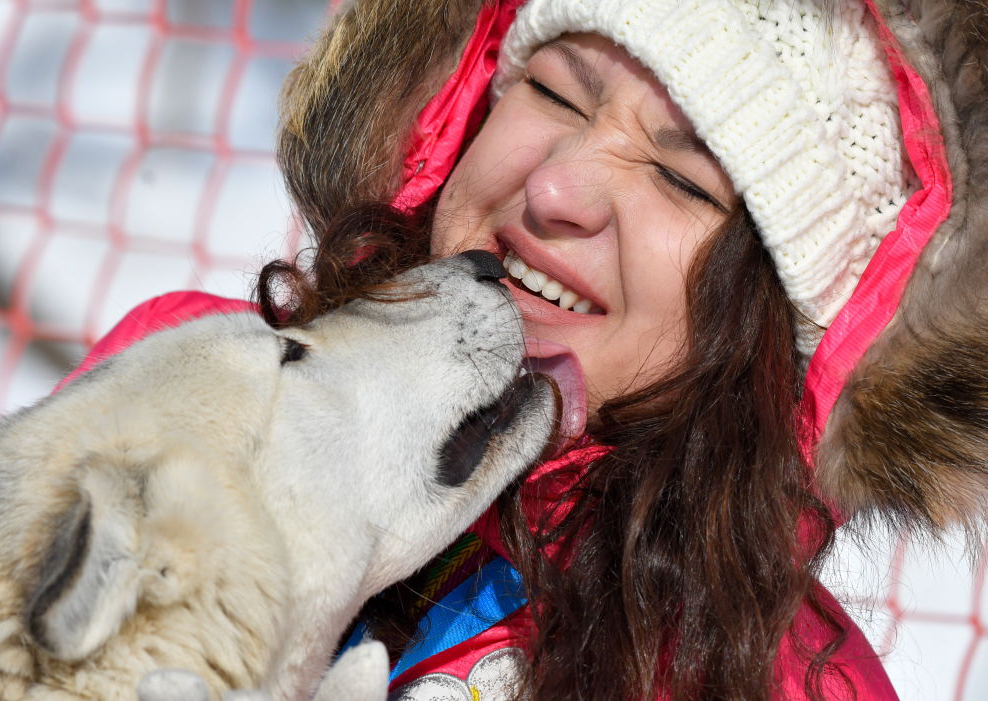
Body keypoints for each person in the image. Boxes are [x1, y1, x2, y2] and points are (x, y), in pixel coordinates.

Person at [63, 0, 988, 699]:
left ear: (780, 332)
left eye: (679, 176)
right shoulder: (183, 394)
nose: (556, 187)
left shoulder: (775, 682)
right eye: (550, 92)